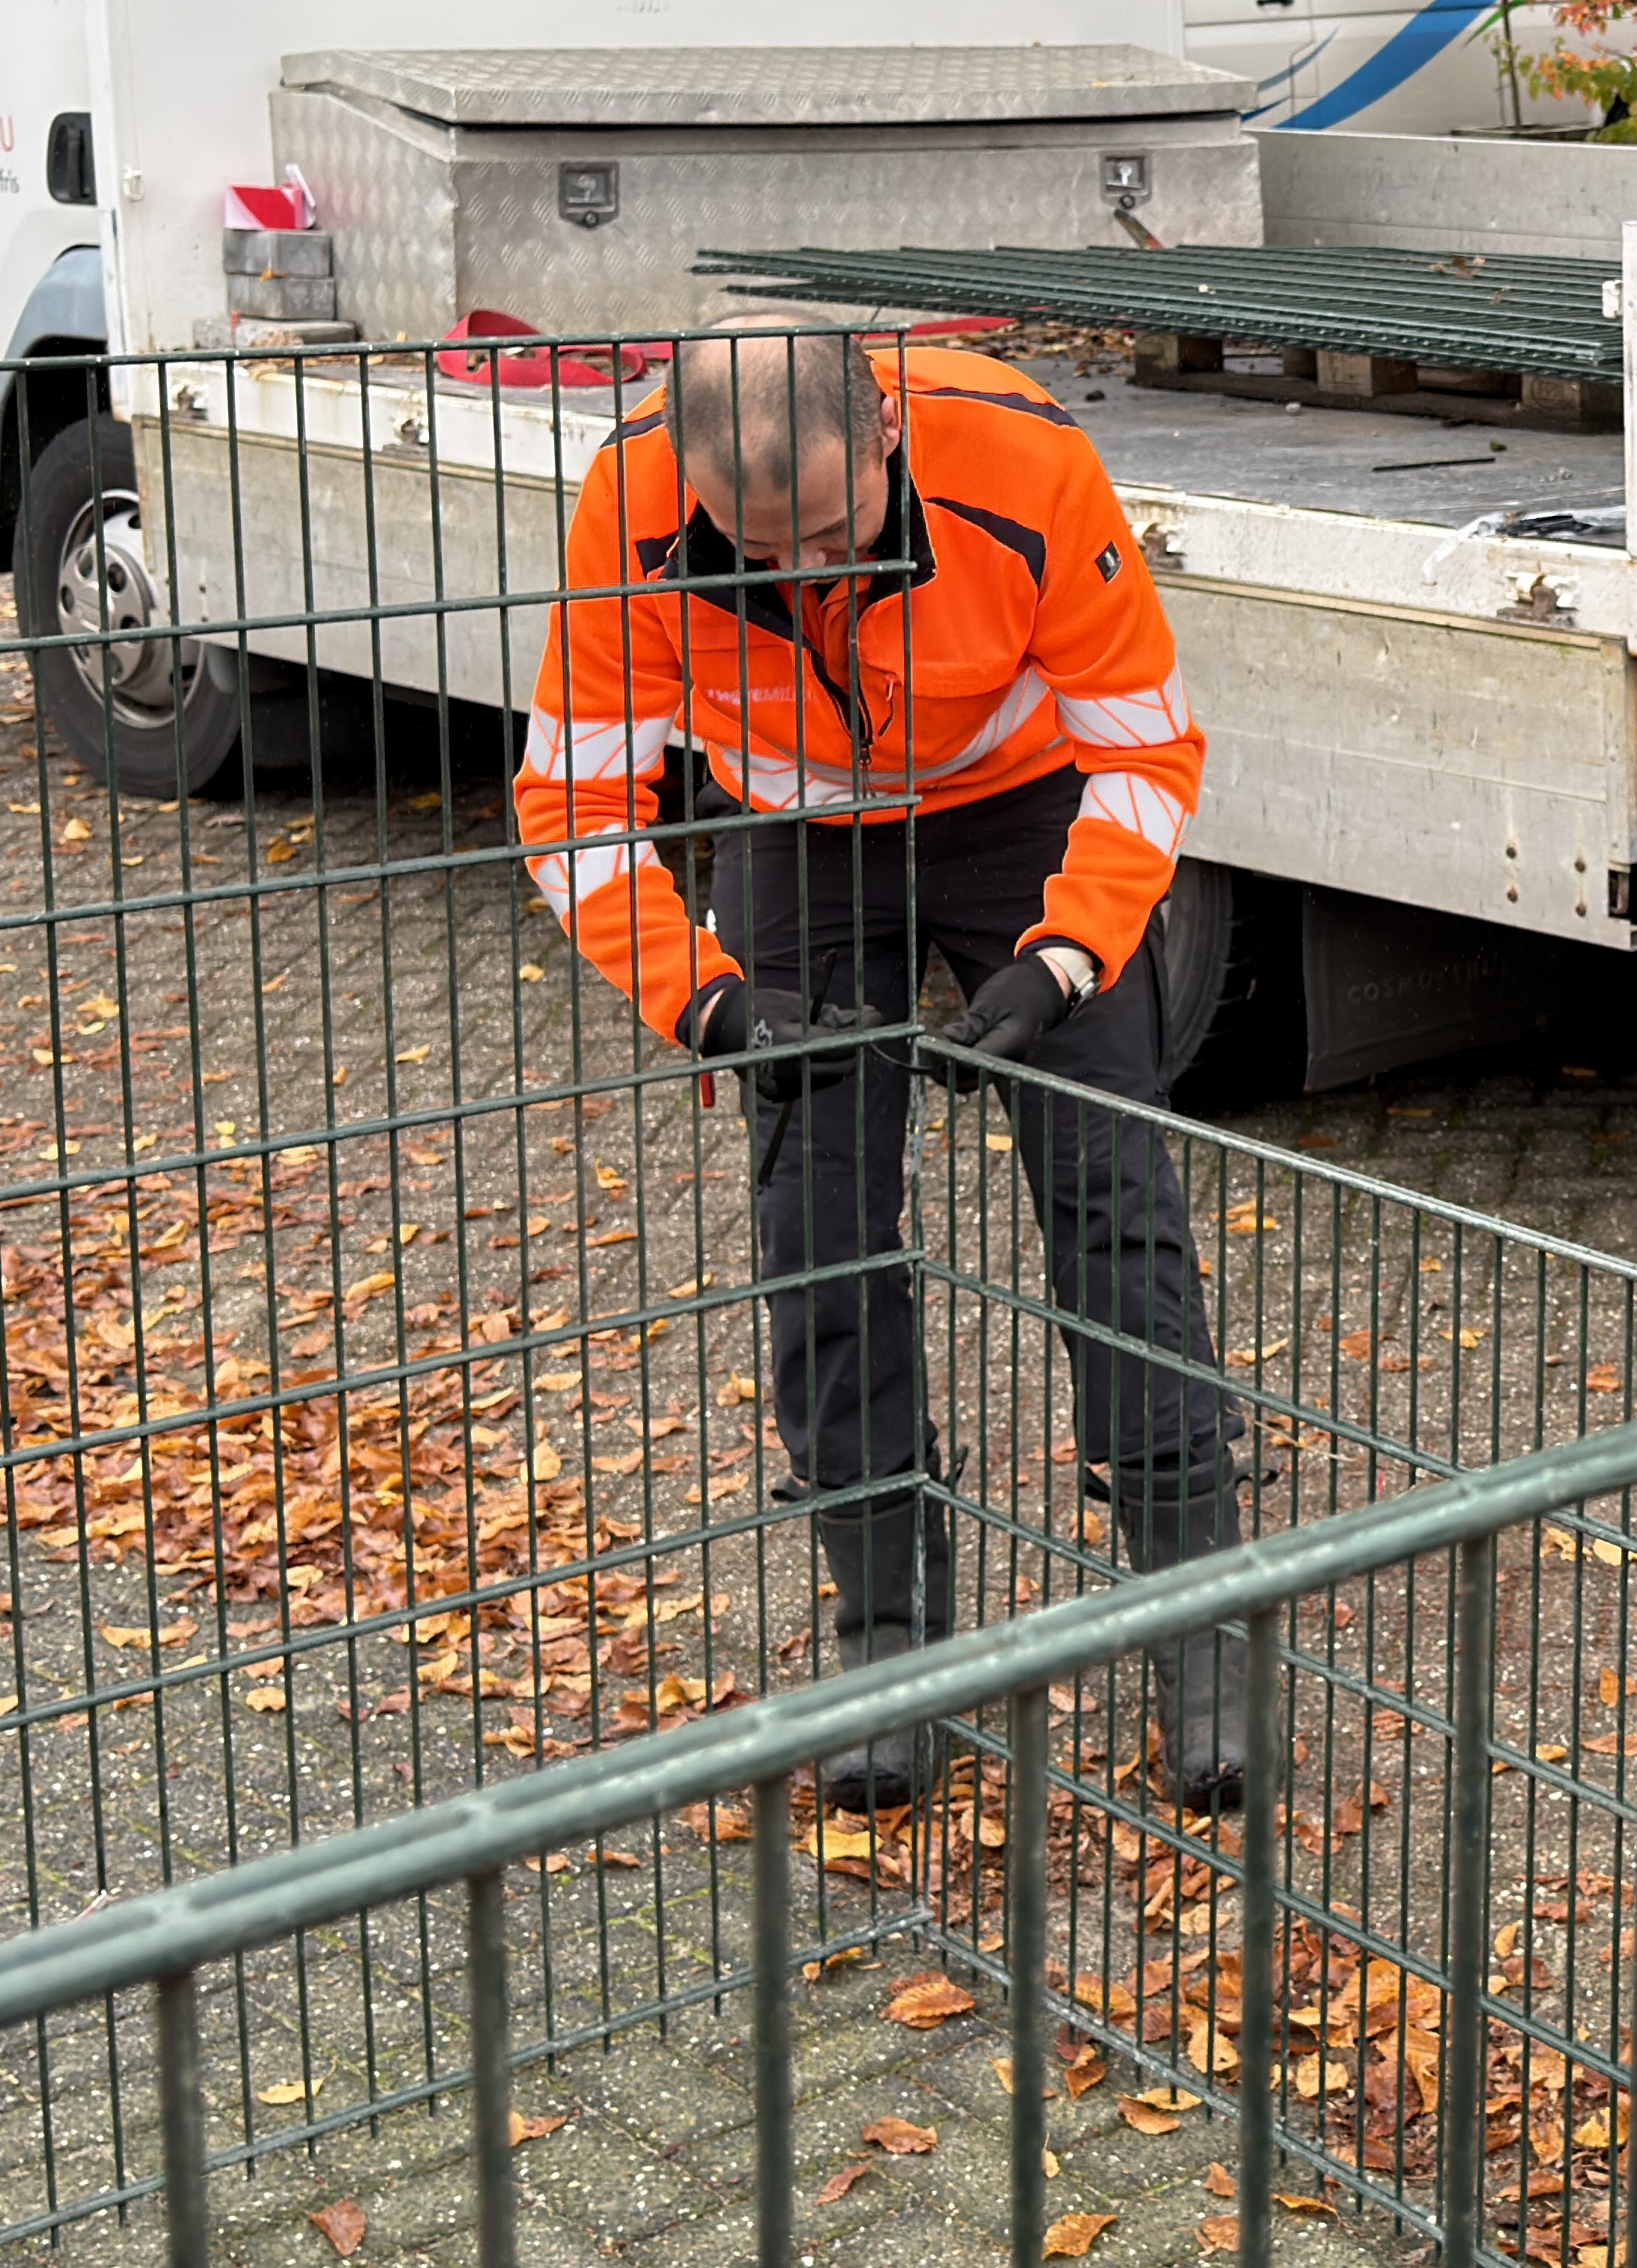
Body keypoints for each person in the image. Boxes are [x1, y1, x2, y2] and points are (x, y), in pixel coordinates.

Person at [514, 312, 1260, 1812]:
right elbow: (573, 802)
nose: (805, 578)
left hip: (1020, 801)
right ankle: (887, 1626)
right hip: (797, 829)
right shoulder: (632, 502)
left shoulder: (1024, 462)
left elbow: (1145, 750)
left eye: (835, 536)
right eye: (759, 549)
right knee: (819, 1219)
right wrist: (708, 1006)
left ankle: (1200, 1612)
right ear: (695, 485)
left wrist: (1064, 956)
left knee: (1111, 1188)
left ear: (891, 439)